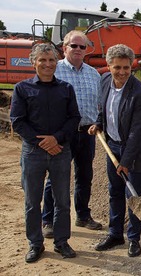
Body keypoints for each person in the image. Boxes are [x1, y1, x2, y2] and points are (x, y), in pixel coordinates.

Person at [11, 43, 81, 263]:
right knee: (33, 201)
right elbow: (18, 121)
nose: (48, 64)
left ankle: (61, 242)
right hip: (33, 152)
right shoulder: (22, 89)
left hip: (60, 151)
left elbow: (74, 118)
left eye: (51, 60)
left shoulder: (66, 89)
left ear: (56, 62)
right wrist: (43, 142)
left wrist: (56, 139)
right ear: (34, 63)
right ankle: (35, 244)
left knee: (62, 200)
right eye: (43, 60)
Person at [89, 44, 141, 258]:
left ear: (131, 67)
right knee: (115, 192)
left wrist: (125, 162)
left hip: (135, 151)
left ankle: (134, 238)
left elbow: (137, 131)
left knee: (133, 195)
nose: (122, 72)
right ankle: (115, 234)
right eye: (117, 67)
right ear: (108, 66)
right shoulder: (105, 82)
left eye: (126, 67)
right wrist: (99, 124)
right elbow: (103, 108)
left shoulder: (140, 93)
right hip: (113, 146)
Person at [41, 30, 102, 239]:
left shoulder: (93, 74)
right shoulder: (54, 71)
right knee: (56, 177)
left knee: (85, 176)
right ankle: (47, 220)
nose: (77, 49)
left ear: (86, 50)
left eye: (82, 46)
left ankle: (83, 215)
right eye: (73, 45)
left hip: (87, 133)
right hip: (62, 135)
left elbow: (99, 105)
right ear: (64, 47)